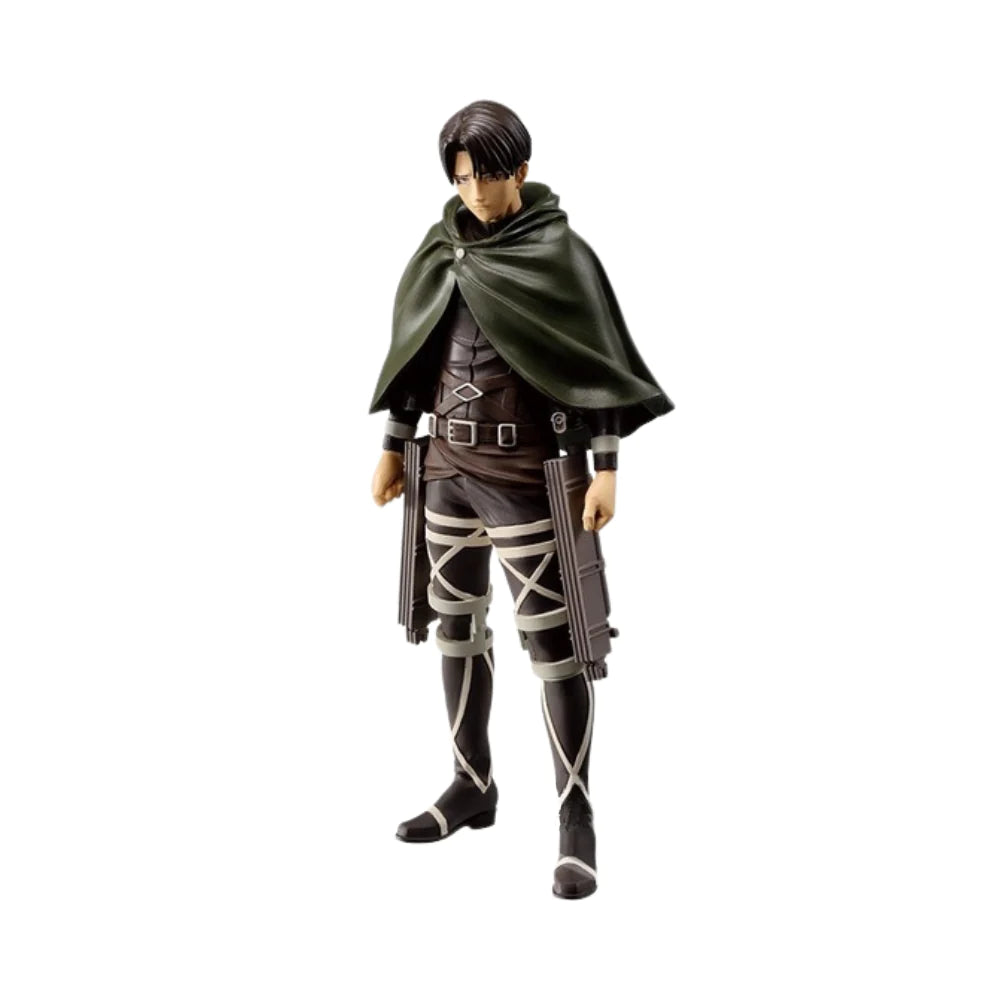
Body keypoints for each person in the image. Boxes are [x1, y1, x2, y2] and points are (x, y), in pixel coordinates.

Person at [369, 100, 672, 898]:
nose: (475, 191)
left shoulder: (558, 255)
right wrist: (395, 444)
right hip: (446, 468)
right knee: (456, 627)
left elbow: (595, 362)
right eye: (462, 177)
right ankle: (471, 784)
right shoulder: (440, 251)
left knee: (555, 643)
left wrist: (606, 467)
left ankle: (576, 820)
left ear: (521, 172)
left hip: (524, 474)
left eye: (489, 175)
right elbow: (416, 355)